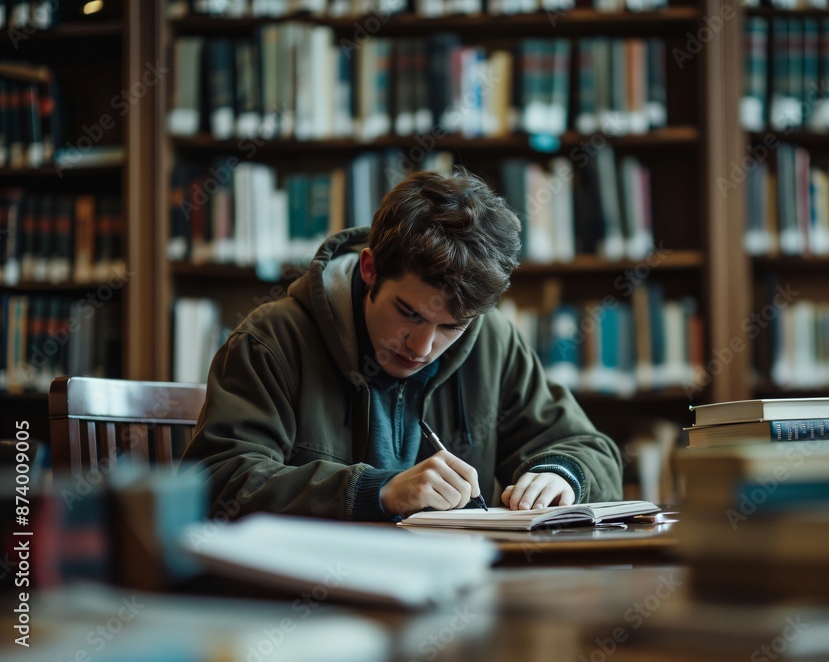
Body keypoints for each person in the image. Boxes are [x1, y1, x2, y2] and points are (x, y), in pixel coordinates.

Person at [183, 168, 623, 521]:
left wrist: (562, 474)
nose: (422, 346)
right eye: (410, 314)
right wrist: (379, 491)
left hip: (457, 596)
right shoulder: (272, 339)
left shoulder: (493, 340)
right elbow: (218, 480)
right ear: (370, 269)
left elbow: (593, 451)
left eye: (451, 327)